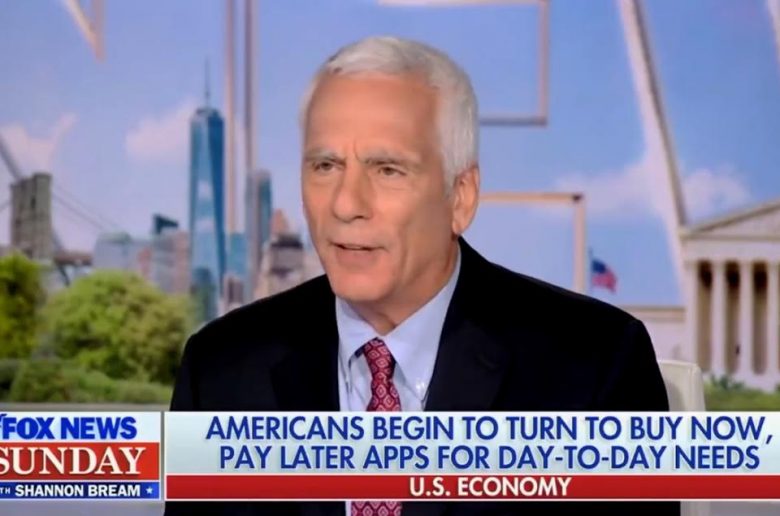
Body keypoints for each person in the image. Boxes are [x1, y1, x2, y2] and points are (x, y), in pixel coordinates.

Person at [166, 36, 678, 516]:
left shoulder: (596, 368)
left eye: (387, 169)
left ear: (461, 198)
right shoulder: (220, 370)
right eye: (325, 166)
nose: (346, 204)